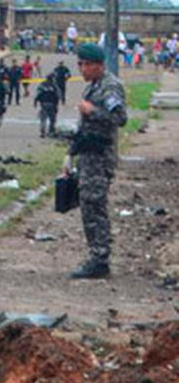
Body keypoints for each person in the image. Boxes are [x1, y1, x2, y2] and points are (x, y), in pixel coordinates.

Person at [65, 43, 128, 279]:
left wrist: (91, 111)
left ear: (98, 65)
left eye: (85, 64)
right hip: (87, 155)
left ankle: (100, 259)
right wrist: (70, 155)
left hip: (99, 158)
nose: (81, 69)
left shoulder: (110, 87)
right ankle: (96, 256)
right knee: (88, 207)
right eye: (80, 64)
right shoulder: (93, 88)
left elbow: (120, 118)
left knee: (95, 207)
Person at [34, 73, 62, 138]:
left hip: (43, 104)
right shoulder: (54, 85)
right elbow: (58, 95)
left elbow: (37, 94)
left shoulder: (42, 85)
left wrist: (35, 102)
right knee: (52, 119)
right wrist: (58, 103)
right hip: (52, 104)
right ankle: (51, 132)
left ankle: (42, 132)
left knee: (43, 119)